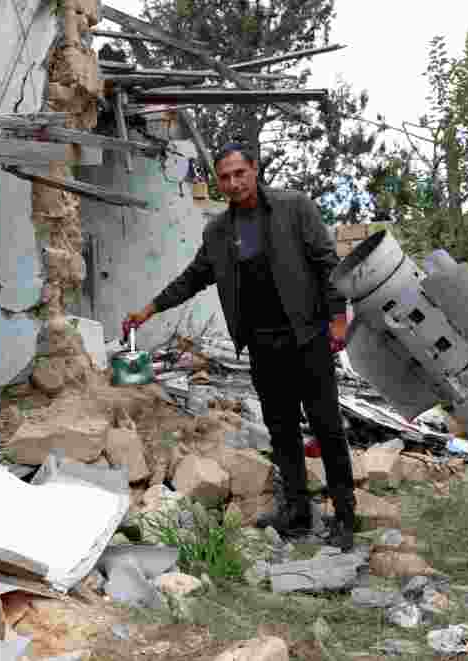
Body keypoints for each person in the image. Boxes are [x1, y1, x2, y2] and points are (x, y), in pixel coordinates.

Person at [122, 143, 357, 551]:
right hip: (262, 344)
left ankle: (346, 515)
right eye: (225, 177)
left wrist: (338, 318)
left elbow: (326, 263)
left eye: (239, 174)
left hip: (307, 337)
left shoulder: (293, 207)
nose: (232, 183)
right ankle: (297, 514)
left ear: (254, 170)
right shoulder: (218, 232)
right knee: (281, 432)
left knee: (327, 427)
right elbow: (194, 276)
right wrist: (149, 309)